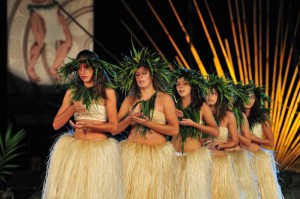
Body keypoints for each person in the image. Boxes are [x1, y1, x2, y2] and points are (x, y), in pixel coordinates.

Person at [42, 50, 124, 199]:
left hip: (99, 151)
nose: (82, 72)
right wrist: (73, 108)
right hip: (76, 150)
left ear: (95, 68)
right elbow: (56, 124)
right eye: (79, 68)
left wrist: (89, 125)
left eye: (86, 68)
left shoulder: (107, 91)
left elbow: (113, 127)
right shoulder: (72, 92)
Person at [115, 46, 179, 199]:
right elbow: (114, 129)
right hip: (133, 156)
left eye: (144, 73)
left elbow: (174, 130)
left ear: (151, 76)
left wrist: (148, 123)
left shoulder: (164, 98)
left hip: (157, 157)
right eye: (137, 74)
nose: (140, 77)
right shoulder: (130, 99)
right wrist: (130, 119)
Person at [170, 67, 218, 199]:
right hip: (174, 155)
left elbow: (215, 130)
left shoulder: (202, 106)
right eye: (178, 84)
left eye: (185, 83)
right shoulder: (172, 105)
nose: (181, 87)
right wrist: (171, 113)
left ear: (192, 86)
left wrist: (194, 124)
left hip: (194, 158)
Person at [243, 81, 283, 199]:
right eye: (246, 96)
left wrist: (254, 138)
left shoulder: (262, 117)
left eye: (252, 97)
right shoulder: (236, 116)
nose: (249, 100)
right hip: (240, 158)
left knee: (261, 192)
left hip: (257, 158)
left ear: (256, 99)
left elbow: (271, 142)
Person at [205, 74, 241, 199]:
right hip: (202, 161)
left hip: (220, 162)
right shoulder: (199, 113)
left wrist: (221, 145)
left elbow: (235, 140)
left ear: (219, 96)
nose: (209, 96)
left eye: (213, 93)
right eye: (207, 93)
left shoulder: (228, 115)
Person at [26, 0, 72, 82]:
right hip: (37, 12)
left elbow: (58, 14)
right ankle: (30, 68)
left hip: (52, 11)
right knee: (39, 42)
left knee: (68, 41)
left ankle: (53, 68)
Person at [229, 81, 260, 198]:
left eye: (252, 97)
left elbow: (247, 141)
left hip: (248, 157)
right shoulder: (220, 115)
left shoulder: (240, 116)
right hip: (228, 157)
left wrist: (234, 133)